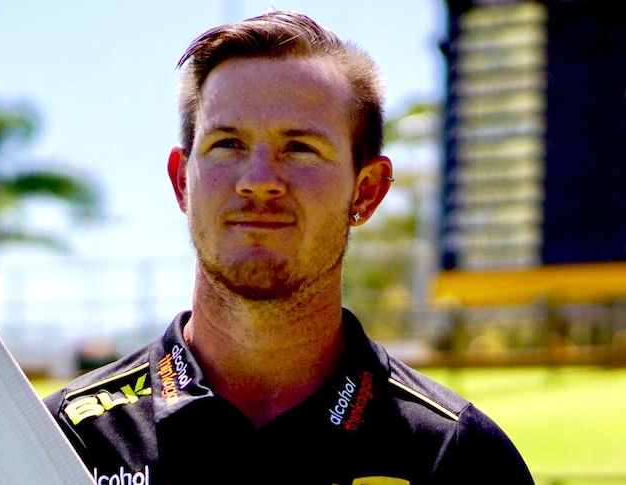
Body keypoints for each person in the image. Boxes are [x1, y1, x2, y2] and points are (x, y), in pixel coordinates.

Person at [44, 10, 534, 485]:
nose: (258, 182)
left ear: (366, 191)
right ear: (181, 183)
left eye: (299, 148)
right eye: (227, 144)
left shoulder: (457, 457)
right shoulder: (66, 440)